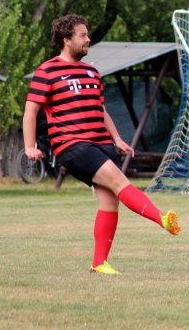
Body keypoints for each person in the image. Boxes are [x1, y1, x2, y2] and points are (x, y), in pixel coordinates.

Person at [23, 14, 180, 275]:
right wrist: (30, 146)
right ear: (66, 40)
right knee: (120, 183)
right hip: (72, 145)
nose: (88, 39)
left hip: (102, 143)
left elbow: (101, 109)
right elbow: (31, 111)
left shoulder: (92, 71)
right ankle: (161, 219)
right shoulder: (47, 71)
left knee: (110, 202)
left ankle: (99, 263)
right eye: (83, 35)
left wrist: (117, 139)